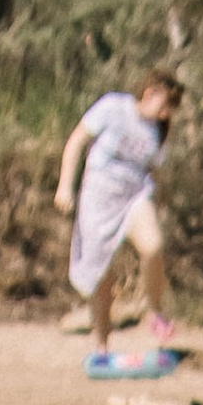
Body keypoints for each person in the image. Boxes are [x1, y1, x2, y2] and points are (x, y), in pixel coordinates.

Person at [56, 71, 182, 354]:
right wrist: (65, 186)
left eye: (170, 110)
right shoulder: (114, 107)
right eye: (165, 105)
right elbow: (76, 140)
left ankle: (154, 313)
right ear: (149, 93)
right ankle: (101, 345)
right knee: (102, 276)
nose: (165, 114)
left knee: (153, 247)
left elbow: (156, 170)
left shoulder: (159, 132)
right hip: (98, 198)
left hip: (134, 197)